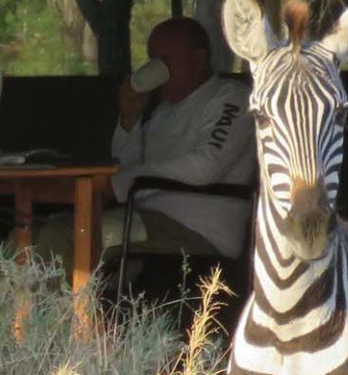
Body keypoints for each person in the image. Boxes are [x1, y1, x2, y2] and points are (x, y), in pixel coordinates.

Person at [107, 15, 256, 261]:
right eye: (153, 61)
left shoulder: (234, 98)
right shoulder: (162, 112)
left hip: (197, 233)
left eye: (165, 60)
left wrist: (127, 180)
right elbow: (125, 166)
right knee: (48, 232)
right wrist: (129, 119)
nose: (158, 70)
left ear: (198, 60)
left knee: (68, 236)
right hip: (143, 221)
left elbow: (206, 166)